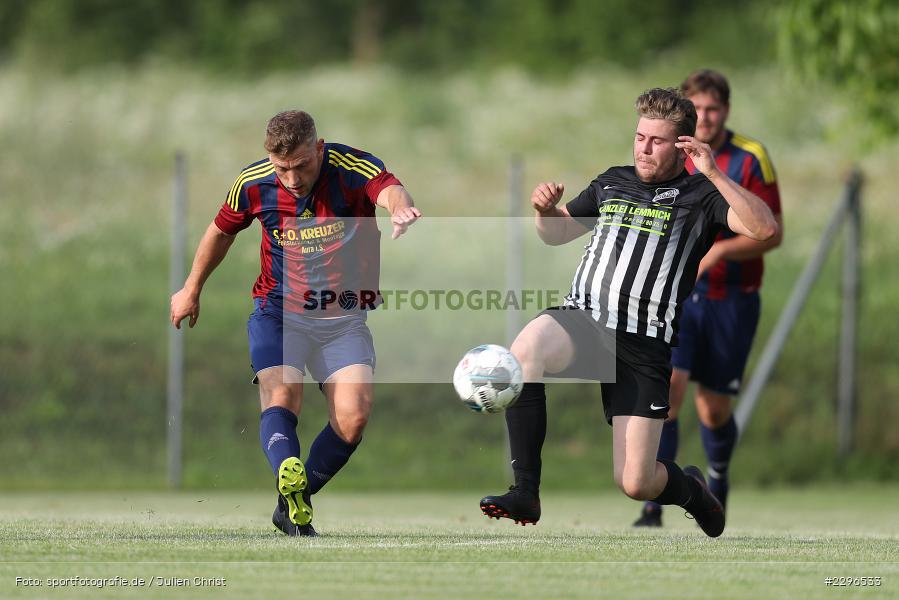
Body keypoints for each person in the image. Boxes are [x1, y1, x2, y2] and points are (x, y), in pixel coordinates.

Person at [479, 88, 778, 538]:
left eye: (657, 141)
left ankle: (693, 491)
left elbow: (764, 227)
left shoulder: (702, 195)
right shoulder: (612, 181)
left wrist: (714, 173)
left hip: (644, 344)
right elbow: (556, 234)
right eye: (640, 137)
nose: (643, 147)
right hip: (585, 320)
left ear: (681, 145)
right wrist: (544, 212)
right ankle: (526, 492)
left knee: (637, 482)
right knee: (525, 352)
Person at [170, 110, 420, 536]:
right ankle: (288, 475)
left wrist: (402, 209)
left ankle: (291, 499)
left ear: (318, 149)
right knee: (282, 393)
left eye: (301, 165)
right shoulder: (252, 183)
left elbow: (390, 189)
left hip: (342, 317)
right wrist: (191, 287)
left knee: (353, 416)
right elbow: (221, 231)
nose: (292, 178)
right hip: (279, 312)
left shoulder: (351, 168)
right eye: (281, 168)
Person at [634, 70, 783, 528]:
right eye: (701, 110)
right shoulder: (667, 155)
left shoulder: (750, 158)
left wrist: (718, 249)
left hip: (732, 298)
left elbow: (770, 233)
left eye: (715, 109)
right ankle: (656, 500)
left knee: (712, 408)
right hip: (680, 298)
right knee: (671, 391)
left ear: (726, 111)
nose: (709, 118)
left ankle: (717, 477)